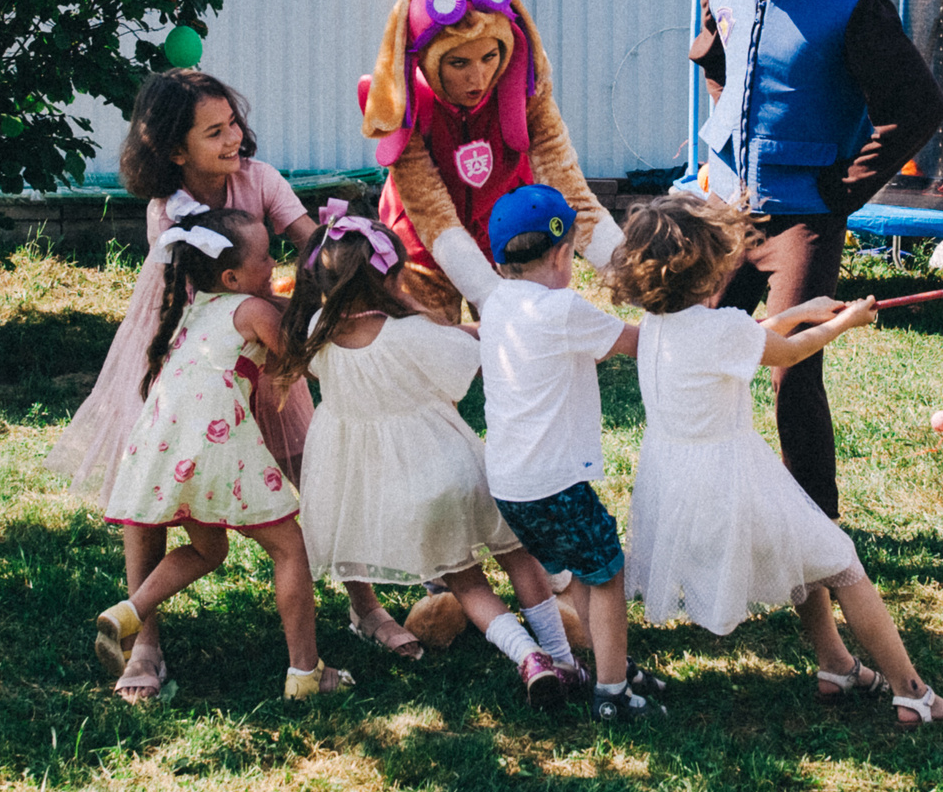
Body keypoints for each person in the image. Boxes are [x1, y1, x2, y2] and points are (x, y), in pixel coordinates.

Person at [610, 194, 943, 725]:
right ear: (707, 267)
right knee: (844, 564)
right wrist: (845, 321)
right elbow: (790, 352)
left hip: (678, 483)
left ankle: (836, 664)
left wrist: (797, 312)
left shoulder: (658, 327)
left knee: (805, 557)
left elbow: (743, 340)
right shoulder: (720, 329)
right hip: (732, 482)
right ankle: (912, 692)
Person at [690, 0, 943, 520]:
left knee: (791, 368)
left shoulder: (851, 3)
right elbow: (715, 60)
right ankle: (709, 502)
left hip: (805, 218)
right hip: (731, 214)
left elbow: (918, 106)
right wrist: (729, 146)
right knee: (695, 350)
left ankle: (814, 530)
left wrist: (843, 189)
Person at [48, 69, 328, 702]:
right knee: (155, 489)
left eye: (233, 123)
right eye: (215, 132)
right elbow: (211, 301)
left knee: (296, 453)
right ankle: (146, 641)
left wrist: (346, 261)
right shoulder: (169, 211)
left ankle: (363, 606)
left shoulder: (259, 180)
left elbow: (310, 243)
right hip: (183, 337)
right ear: (175, 150)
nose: (234, 140)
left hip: (223, 334)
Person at [275, 202, 583, 705]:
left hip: (399, 490)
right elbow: (467, 365)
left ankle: (528, 659)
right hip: (451, 467)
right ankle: (560, 655)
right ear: (390, 277)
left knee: (468, 584)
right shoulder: (411, 333)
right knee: (517, 554)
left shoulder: (314, 337)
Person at [91, 205, 353, 702]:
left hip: (165, 450)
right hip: (216, 447)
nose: (274, 263)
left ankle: (129, 612)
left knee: (210, 549)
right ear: (232, 275)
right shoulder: (252, 311)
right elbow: (303, 362)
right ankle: (304, 674)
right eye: (265, 257)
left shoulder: (191, 312)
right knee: (289, 547)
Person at [432, 184, 662, 724]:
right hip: (554, 483)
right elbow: (637, 344)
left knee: (586, 572)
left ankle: (614, 667)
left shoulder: (496, 301)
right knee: (606, 572)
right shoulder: (562, 309)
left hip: (512, 485)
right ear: (563, 253)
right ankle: (612, 692)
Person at [362, 0, 618, 321]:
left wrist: (626, 269)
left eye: (489, 56)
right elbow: (431, 213)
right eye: (458, 63)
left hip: (508, 229)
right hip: (423, 240)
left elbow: (570, 188)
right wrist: (486, 293)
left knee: (529, 333)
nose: (478, 78)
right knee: (431, 341)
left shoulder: (526, 94)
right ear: (428, 59)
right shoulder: (407, 104)